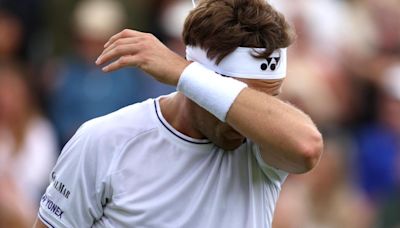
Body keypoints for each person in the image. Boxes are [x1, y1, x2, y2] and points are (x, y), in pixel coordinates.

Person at [34, 0, 323, 227]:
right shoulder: (103, 140)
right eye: (237, 95)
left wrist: (183, 71)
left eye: (268, 98)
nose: (249, 119)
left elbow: (307, 146)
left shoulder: (262, 147)